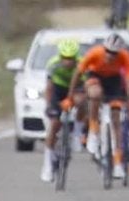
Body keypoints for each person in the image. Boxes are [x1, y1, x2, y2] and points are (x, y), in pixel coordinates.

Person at [65, 32, 129, 179]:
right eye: (108, 51)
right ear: (104, 48)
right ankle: (93, 131)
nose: (110, 55)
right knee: (95, 95)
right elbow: (78, 73)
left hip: (113, 80)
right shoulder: (95, 53)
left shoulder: (124, 56)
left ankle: (117, 163)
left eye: (114, 53)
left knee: (116, 119)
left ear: (119, 52)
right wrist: (70, 96)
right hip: (95, 76)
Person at [40, 38, 86, 183]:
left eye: (71, 58)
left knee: (82, 101)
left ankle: (78, 131)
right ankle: (47, 163)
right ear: (60, 57)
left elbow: (86, 86)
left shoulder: (81, 64)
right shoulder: (53, 64)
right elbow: (49, 88)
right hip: (58, 90)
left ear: (75, 57)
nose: (68, 62)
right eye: (65, 58)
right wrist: (49, 105)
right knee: (54, 125)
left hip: (76, 89)